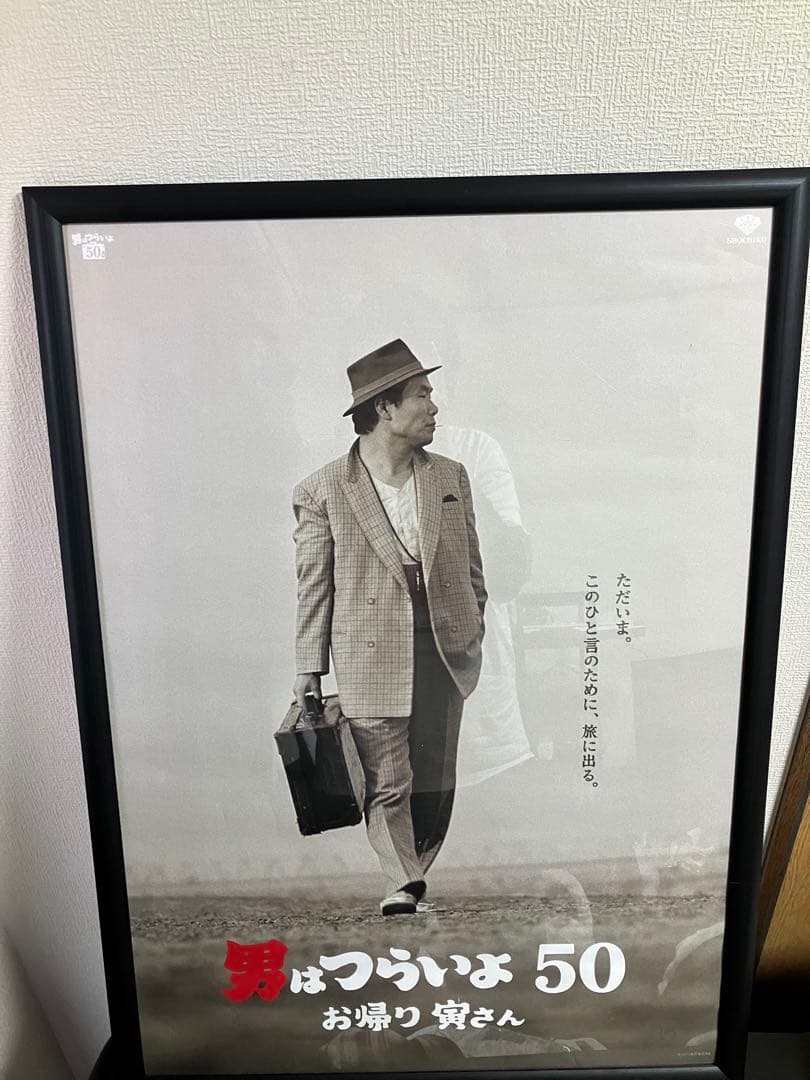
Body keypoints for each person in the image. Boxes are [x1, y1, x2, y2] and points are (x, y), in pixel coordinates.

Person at [292, 339, 487, 915]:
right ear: (384, 408)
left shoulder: (450, 475)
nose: (434, 406)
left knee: (436, 777)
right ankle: (403, 883)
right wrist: (309, 666)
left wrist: (473, 625)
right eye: (422, 394)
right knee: (388, 778)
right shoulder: (322, 490)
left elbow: (473, 567)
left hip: (445, 647)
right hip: (369, 651)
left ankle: (414, 873)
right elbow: (313, 585)